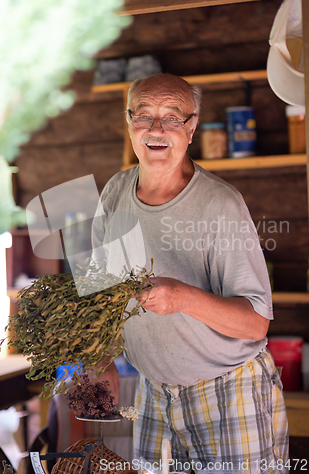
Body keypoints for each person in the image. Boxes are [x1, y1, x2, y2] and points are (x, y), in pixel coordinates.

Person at [91, 73, 289, 473]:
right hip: (153, 393)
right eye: (144, 115)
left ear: (192, 127)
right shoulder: (114, 191)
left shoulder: (221, 205)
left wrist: (182, 297)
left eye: (172, 117)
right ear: (129, 123)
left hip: (231, 392)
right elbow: (100, 289)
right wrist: (100, 359)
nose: (157, 129)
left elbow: (256, 324)